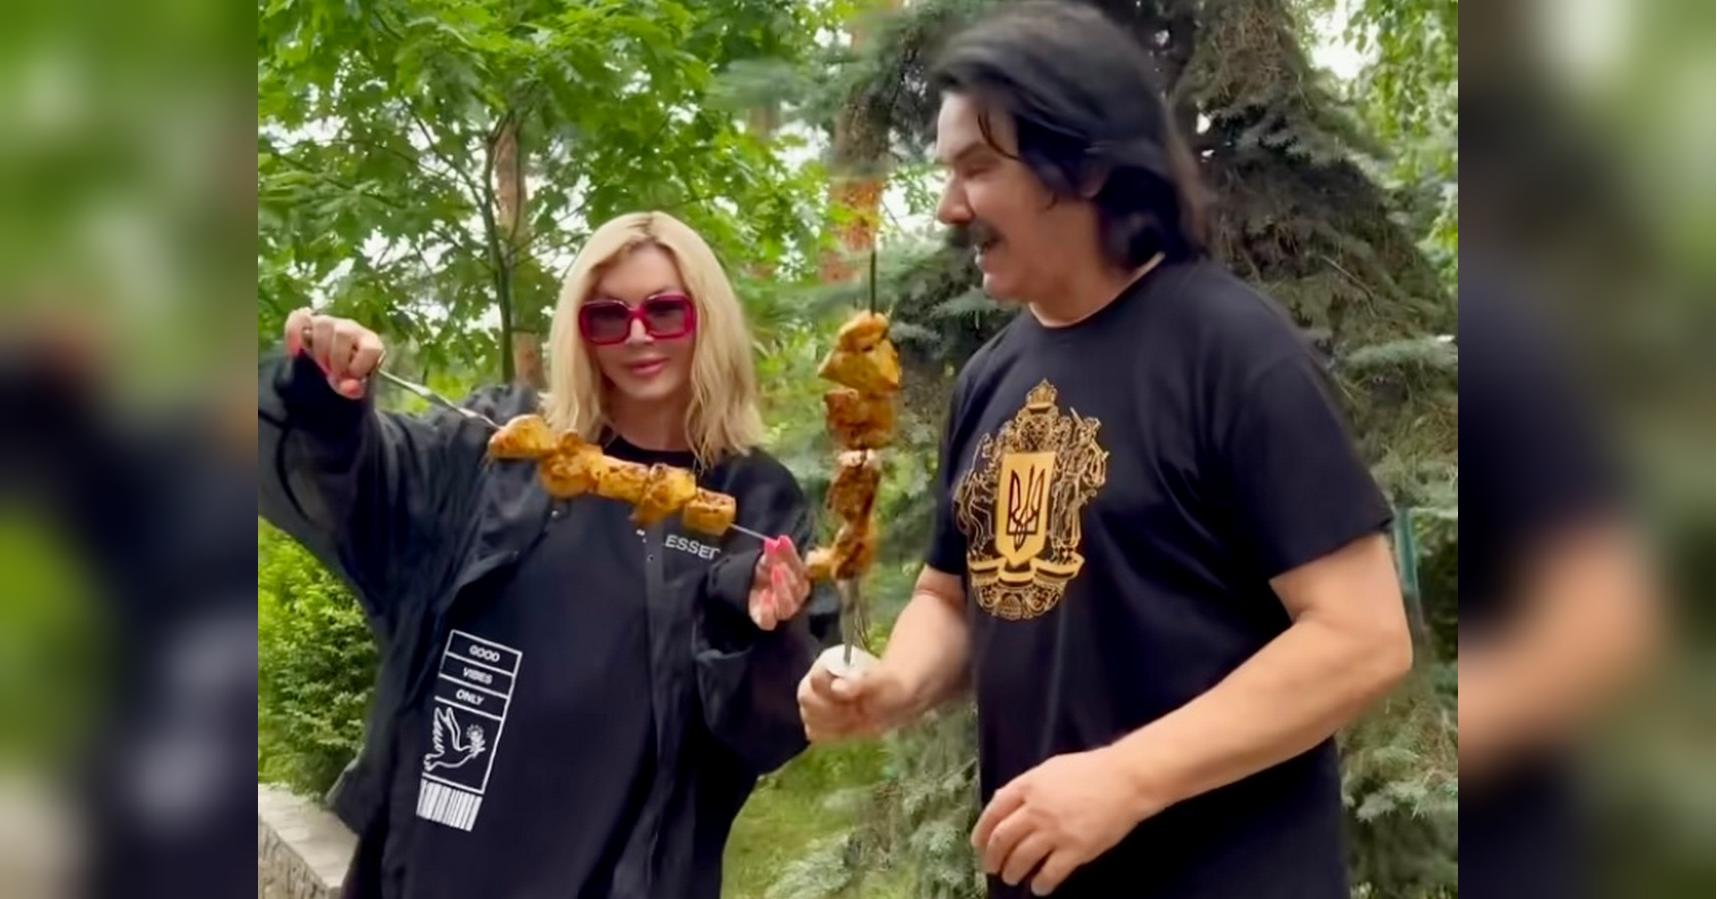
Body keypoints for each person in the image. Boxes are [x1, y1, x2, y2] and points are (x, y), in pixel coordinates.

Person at [797, 4, 1411, 897]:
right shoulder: (989, 378)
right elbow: (953, 596)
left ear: (1084, 164)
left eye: (977, 168)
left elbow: (1361, 637)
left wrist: (1128, 776)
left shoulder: (1231, 350)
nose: (948, 206)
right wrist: (894, 684)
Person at [259, 210, 827, 899]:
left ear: (706, 319)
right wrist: (328, 397)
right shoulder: (501, 447)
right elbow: (369, 480)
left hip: (623, 872)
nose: (638, 334)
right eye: (607, 316)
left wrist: (764, 629)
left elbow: (772, 725)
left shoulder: (755, 501)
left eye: (665, 310)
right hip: (447, 854)